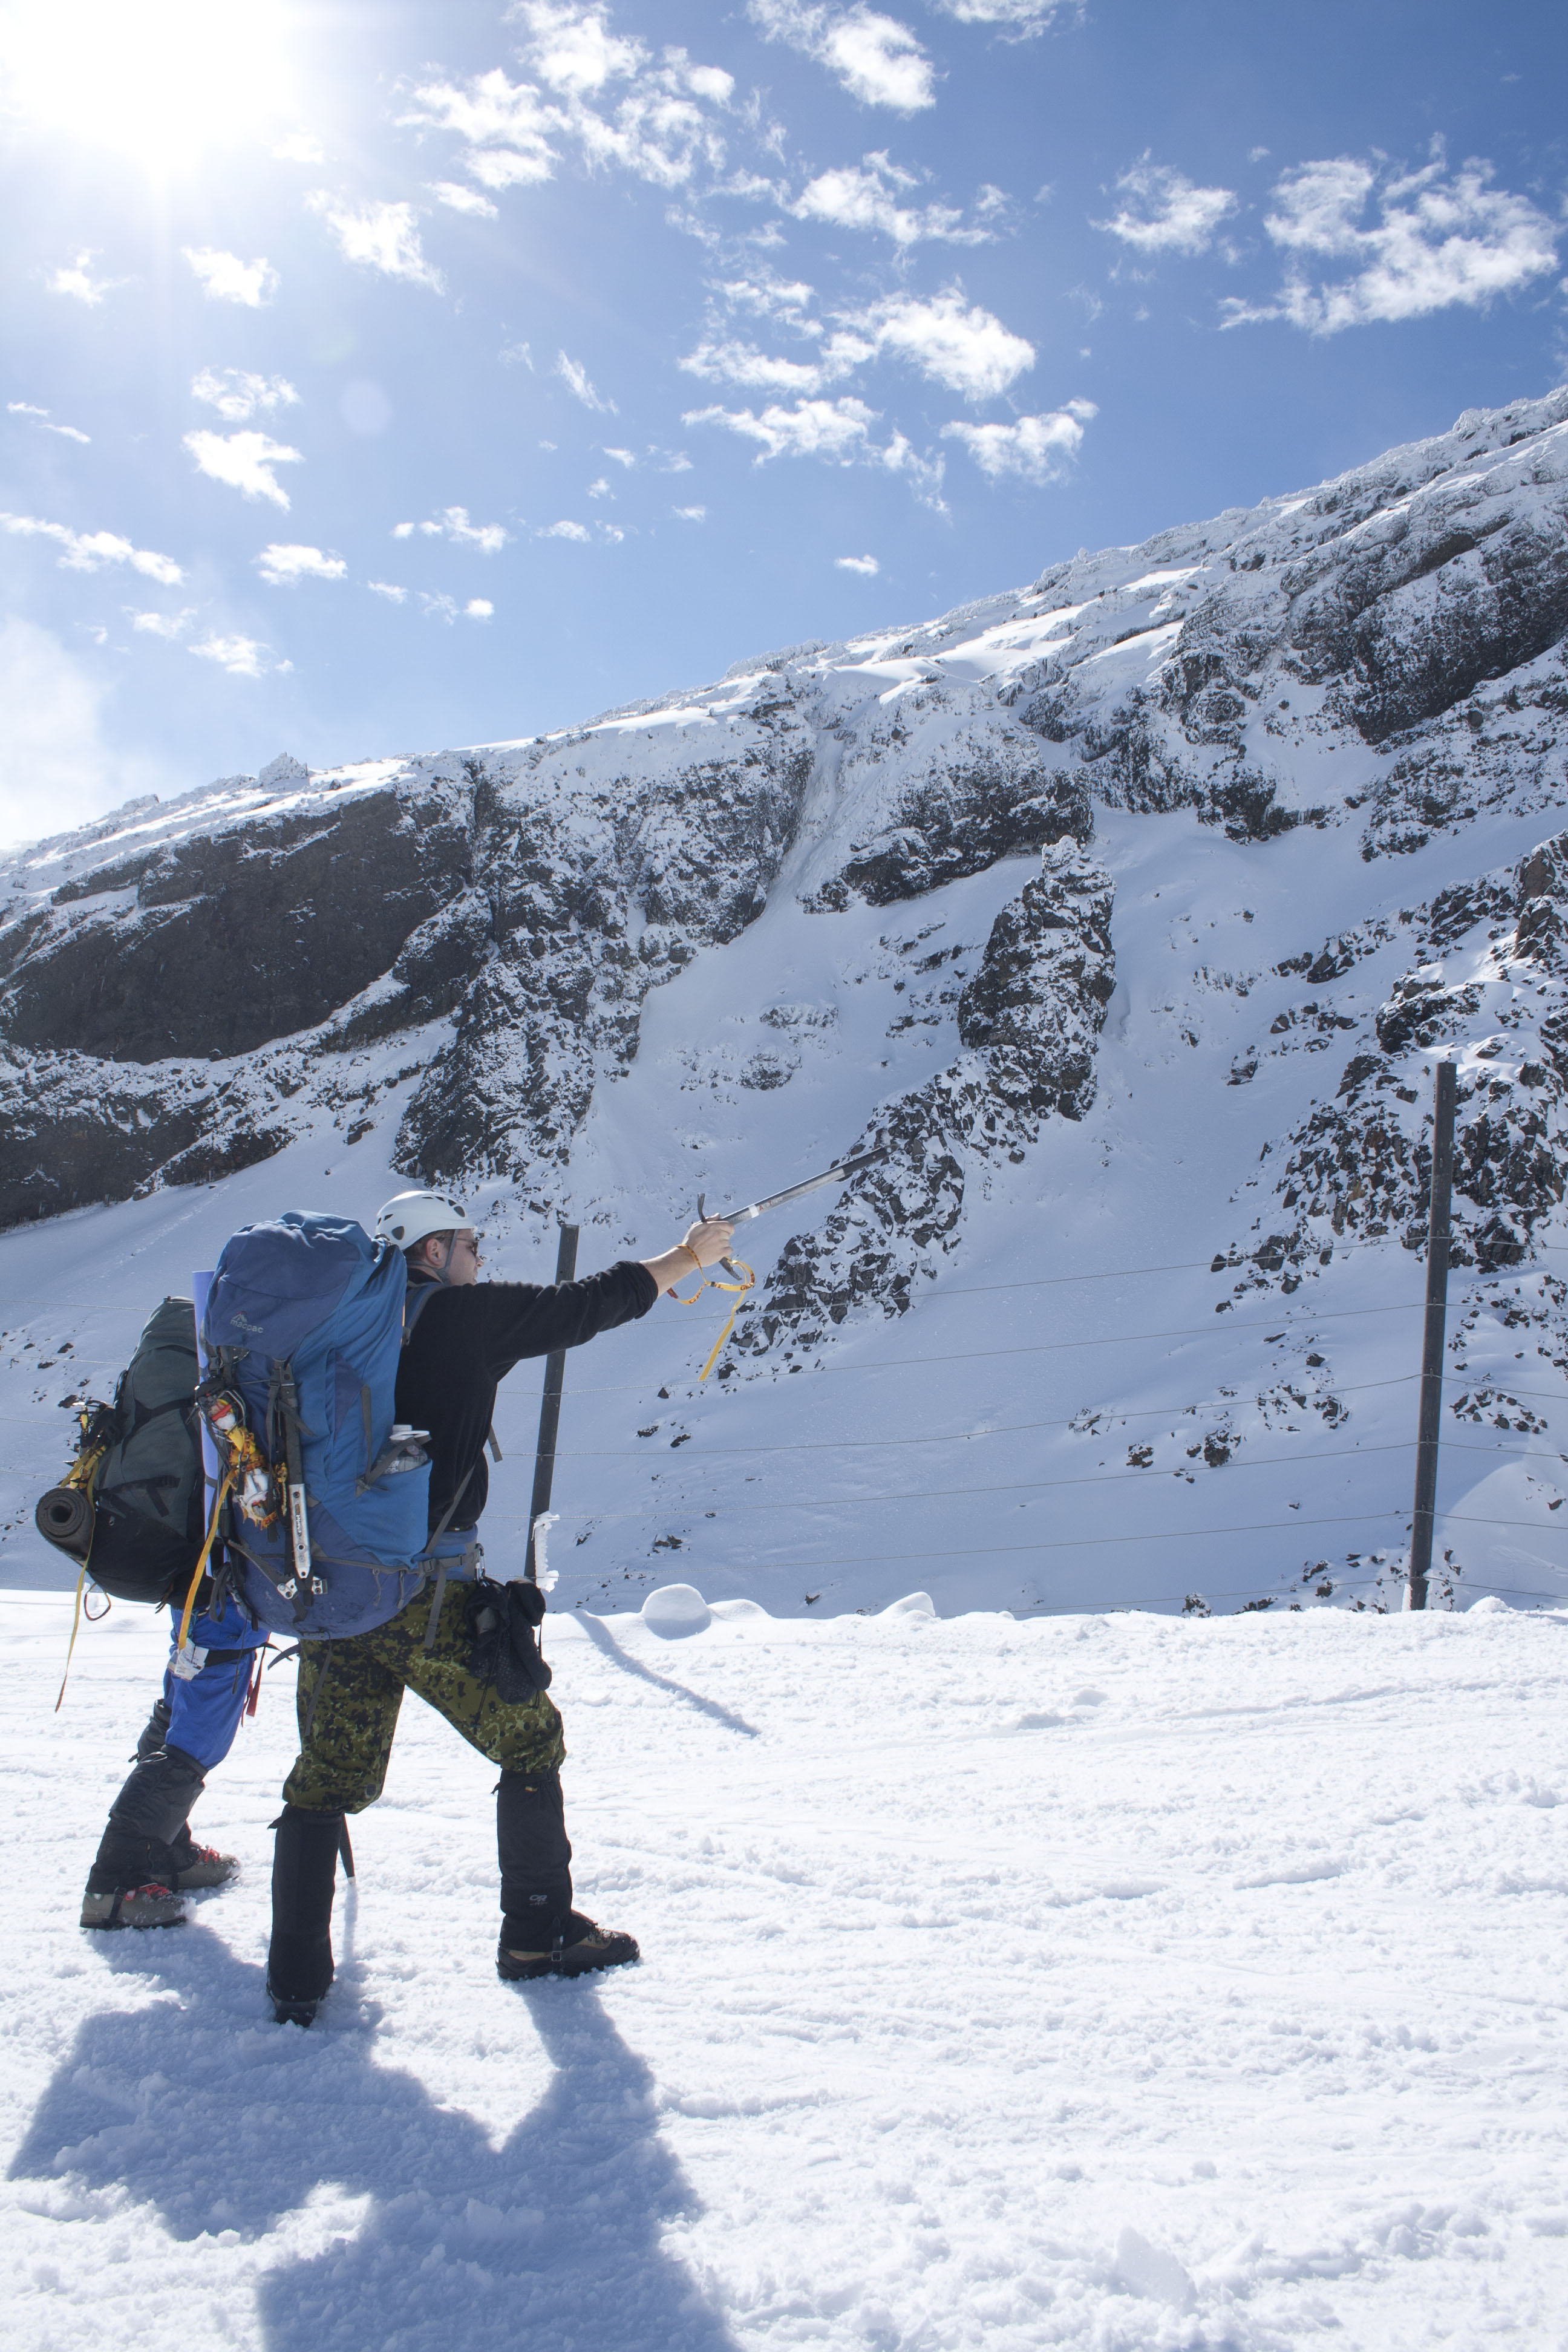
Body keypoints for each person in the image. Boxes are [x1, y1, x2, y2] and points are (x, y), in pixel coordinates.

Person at [265, 1189, 736, 2025]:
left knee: (326, 1776)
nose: (480, 1258)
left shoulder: (334, 1326)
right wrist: (690, 1256)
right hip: (424, 1591)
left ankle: (295, 1981)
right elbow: (588, 1304)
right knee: (530, 1740)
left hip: (332, 1588)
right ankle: (537, 1936)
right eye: (471, 1244)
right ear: (434, 1251)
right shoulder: (463, 1318)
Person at [79, 1593, 266, 1929]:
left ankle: (164, 1856)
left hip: (206, 1616)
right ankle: (114, 1888)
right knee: (191, 1750)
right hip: (224, 1620)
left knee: (176, 1729)